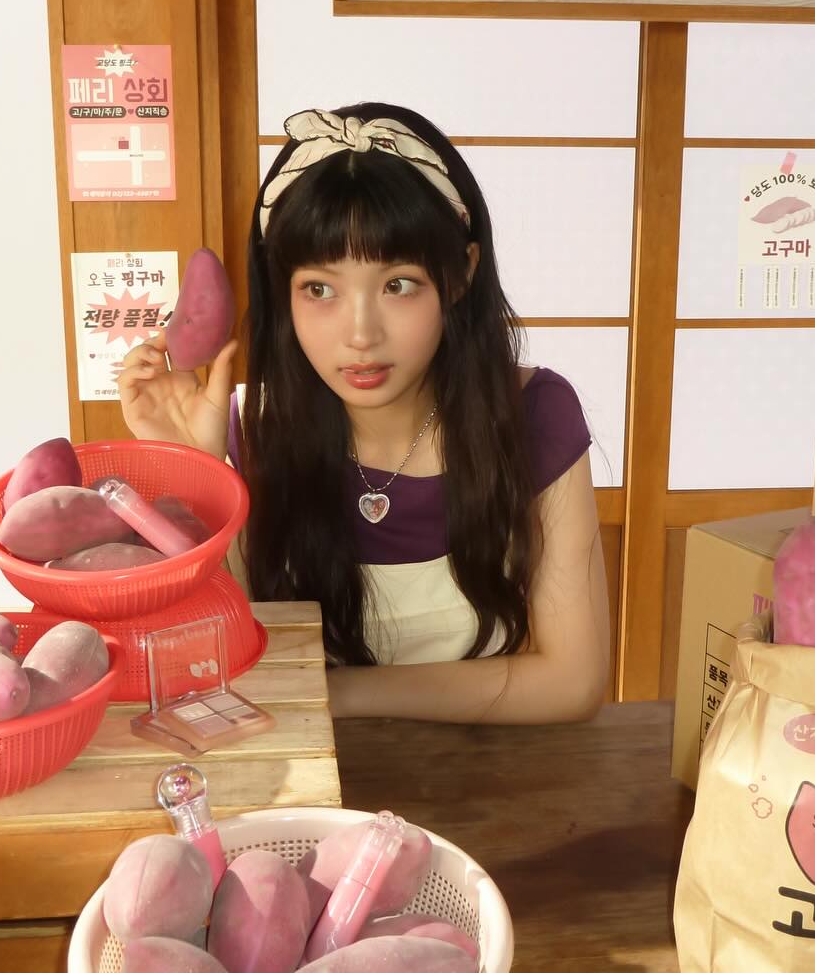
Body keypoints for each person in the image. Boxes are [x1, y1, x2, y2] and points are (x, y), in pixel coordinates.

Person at [118, 102, 609, 724]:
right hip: (306, 772)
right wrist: (195, 467)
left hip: (489, 770)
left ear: (460, 274)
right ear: (283, 291)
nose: (359, 335)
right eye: (319, 289)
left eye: (398, 284)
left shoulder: (533, 414)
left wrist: (335, 694)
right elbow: (205, 671)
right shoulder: (247, 427)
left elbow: (573, 681)